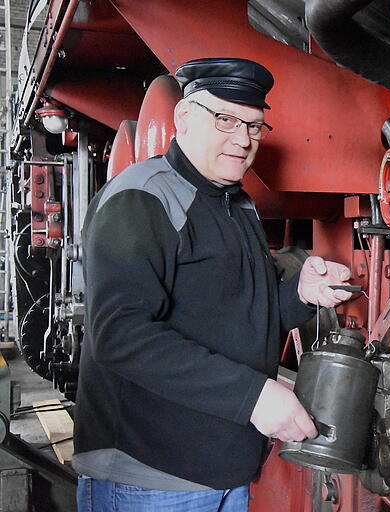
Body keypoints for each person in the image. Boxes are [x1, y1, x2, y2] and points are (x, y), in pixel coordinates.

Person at [73, 57, 353, 511]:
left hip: (224, 472)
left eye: (254, 126)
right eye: (225, 119)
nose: (243, 140)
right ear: (183, 118)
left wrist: (301, 294)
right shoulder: (143, 198)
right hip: (152, 480)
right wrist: (254, 398)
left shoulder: (236, 204)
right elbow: (119, 335)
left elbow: (238, 317)